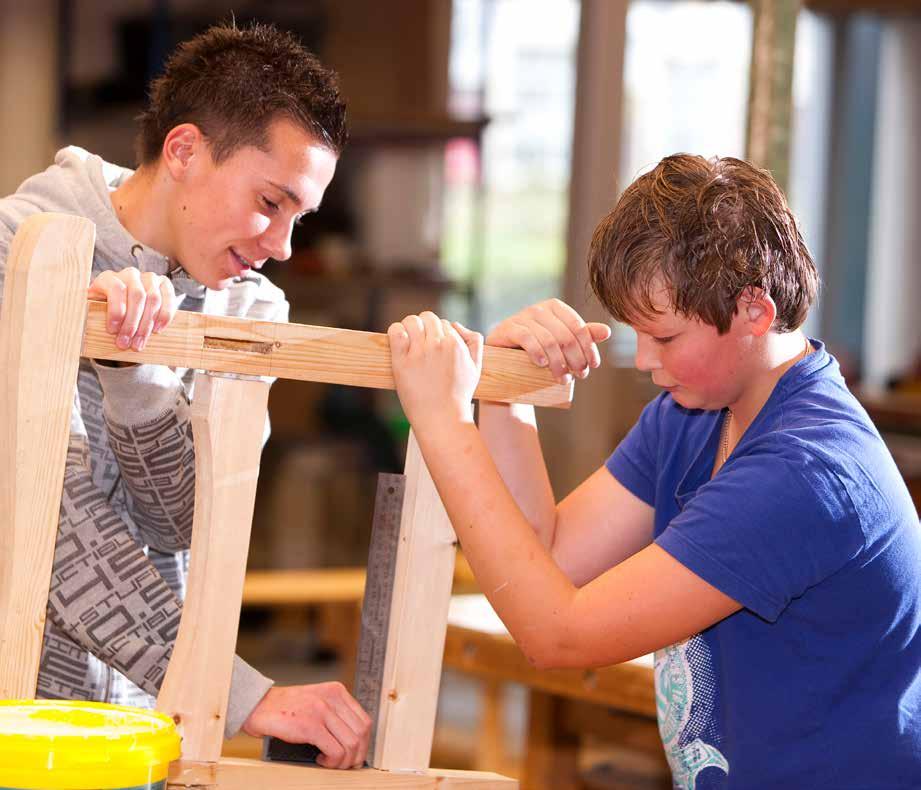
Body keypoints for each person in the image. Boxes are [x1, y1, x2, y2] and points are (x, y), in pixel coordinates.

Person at [387, 154, 921, 788]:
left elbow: (556, 635)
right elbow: (548, 562)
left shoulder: (805, 471)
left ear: (756, 310)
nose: (643, 360)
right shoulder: (692, 415)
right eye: (634, 333)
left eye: (664, 338)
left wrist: (445, 423)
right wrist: (507, 394)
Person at [0, 22, 370, 769]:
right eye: (272, 201)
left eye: (302, 216)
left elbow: (181, 524)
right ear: (184, 151)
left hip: (140, 728)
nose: (284, 245)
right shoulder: (13, 256)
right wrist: (239, 693)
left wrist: (136, 381)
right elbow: (38, 520)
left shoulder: (249, 309)